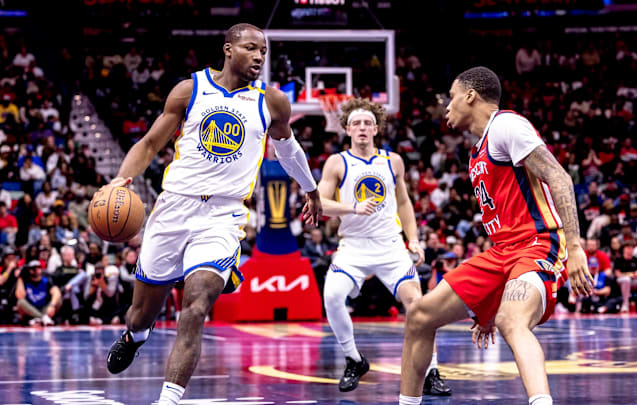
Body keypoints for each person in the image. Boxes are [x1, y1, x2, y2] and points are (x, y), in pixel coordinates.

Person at [100, 24, 321, 405]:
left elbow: (288, 149)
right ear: (228, 49)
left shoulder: (271, 102)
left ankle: (168, 399)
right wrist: (122, 179)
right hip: (174, 208)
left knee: (196, 304)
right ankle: (136, 336)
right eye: (251, 48)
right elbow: (151, 142)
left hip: (223, 214)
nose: (259, 57)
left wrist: (311, 188)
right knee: (140, 314)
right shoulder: (190, 90)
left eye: (264, 51)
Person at [399, 67, 591, 405]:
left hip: (538, 243)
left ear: (471, 95)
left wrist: (575, 246)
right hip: (503, 251)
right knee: (419, 316)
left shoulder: (506, 126)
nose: (447, 106)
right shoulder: (478, 150)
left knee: (511, 320)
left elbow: (559, 178)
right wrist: (486, 304)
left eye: (452, 96)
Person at [318, 98, 451, 395]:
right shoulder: (337, 162)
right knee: (332, 297)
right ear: (347, 129)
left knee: (418, 305)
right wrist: (352, 207)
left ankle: (431, 371)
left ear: (376, 128)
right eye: (356, 123)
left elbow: (404, 203)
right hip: (353, 247)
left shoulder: (393, 161)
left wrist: (413, 240)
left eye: (367, 123)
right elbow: (321, 203)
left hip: (390, 246)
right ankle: (354, 359)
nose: (362, 127)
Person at [15, 260, 61, 326]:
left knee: (58, 300)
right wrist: (20, 278)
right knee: (20, 302)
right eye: (33, 268)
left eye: (38, 267)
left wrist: (52, 305)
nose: (36, 270)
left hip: (44, 308)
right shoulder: (25, 281)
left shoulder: (46, 280)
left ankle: (40, 319)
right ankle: (43, 318)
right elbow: (20, 296)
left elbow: (56, 292)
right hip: (31, 310)